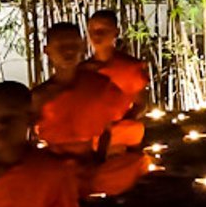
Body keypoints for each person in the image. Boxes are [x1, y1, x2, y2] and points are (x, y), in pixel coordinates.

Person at [32, 22, 145, 196]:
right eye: (61, 45)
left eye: (73, 45)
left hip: (89, 162)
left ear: (82, 46)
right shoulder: (40, 95)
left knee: (135, 162)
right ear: (47, 50)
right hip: (55, 165)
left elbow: (107, 130)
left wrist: (98, 160)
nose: (68, 50)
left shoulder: (98, 84)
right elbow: (29, 140)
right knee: (46, 178)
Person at [80, 10, 150, 148]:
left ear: (116, 32)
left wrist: (117, 124)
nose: (97, 34)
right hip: (89, 131)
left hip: (119, 129)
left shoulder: (129, 67)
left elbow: (140, 105)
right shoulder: (82, 70)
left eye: (103, 29)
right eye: (92, 30)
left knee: (133, 129)